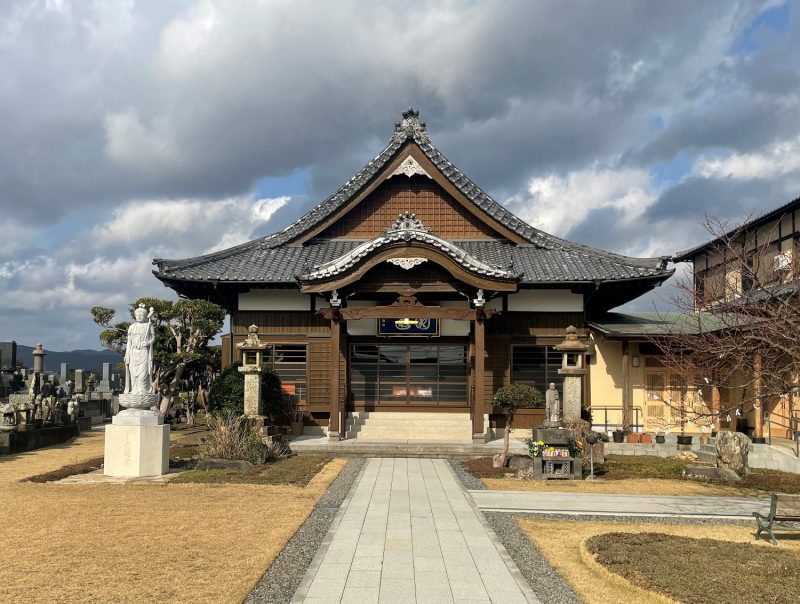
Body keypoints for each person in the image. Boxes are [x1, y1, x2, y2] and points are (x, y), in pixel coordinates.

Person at [124, 304, 156, 395]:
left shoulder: (149, 326)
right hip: (133, 352)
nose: (139, 317)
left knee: (143, 374)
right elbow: (129, 342)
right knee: (133, 374)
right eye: (137, 315)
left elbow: (153, 338)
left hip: (143, 351)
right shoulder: (132, 327)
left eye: (141, 315)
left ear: (145, 316)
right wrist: (127, 354)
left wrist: (148, 343)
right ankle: (134, 390)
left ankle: (143, 390)